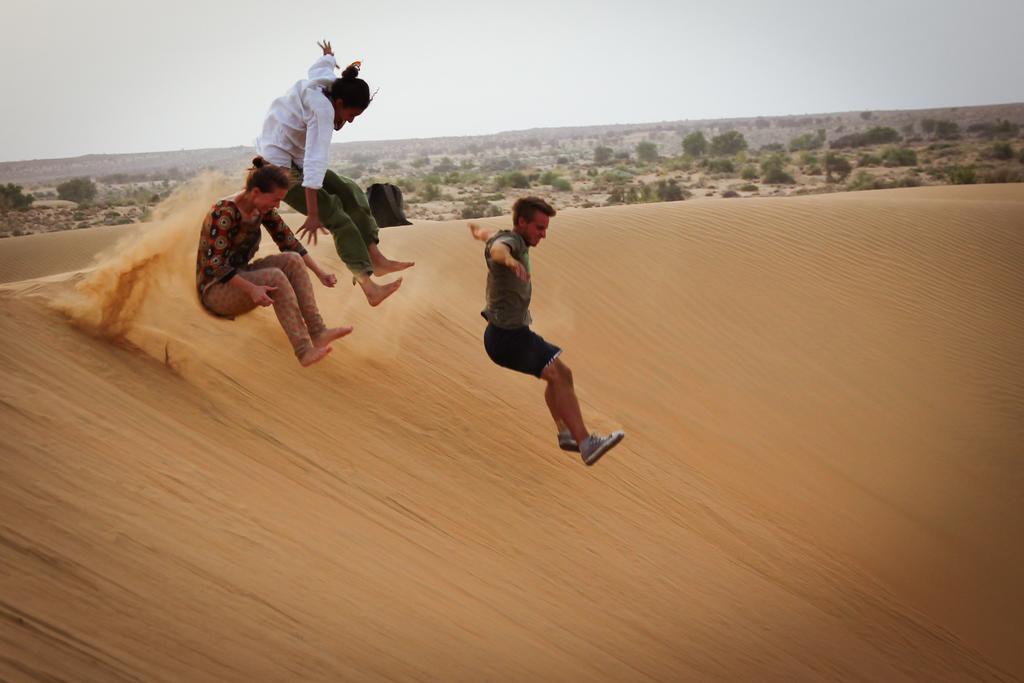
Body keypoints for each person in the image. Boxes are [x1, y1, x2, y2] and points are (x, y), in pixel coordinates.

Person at [470, 197, 625, 466]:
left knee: (562, 374)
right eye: (539, 228)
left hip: (510, 335)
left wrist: (475, 230)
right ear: (521, 223)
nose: (543, 234)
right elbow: (497, 250)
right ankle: (587, 443)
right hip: (506, 338)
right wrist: (509, 262)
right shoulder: (512, 244)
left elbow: (486, 236)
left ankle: (565, 433)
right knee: (557, 376)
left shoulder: (504, 236)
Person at [256, 40, 413, 307]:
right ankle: (369, 287)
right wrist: (315, 214)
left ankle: (377, 259)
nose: (350, 120)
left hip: (295, 158)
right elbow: (316, 160)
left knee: (350, 191)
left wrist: (328, 56)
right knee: (337, 217)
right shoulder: (323, 110)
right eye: (351, 114)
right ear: (338, 102)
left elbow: (319, 69)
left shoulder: (328, 85)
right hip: (276, 166)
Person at [196, 157, 353, 367]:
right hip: (215, 291)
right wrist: (252, 289)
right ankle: (304, 350)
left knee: (293, 260)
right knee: (275, 276)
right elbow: (216, 266)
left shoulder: (261, 208)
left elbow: (288, 242)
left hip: (240, 275)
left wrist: (319, 272)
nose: (277, 205)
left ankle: (318, 331)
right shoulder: (224, 212)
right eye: (275, 199)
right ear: (256, 193)